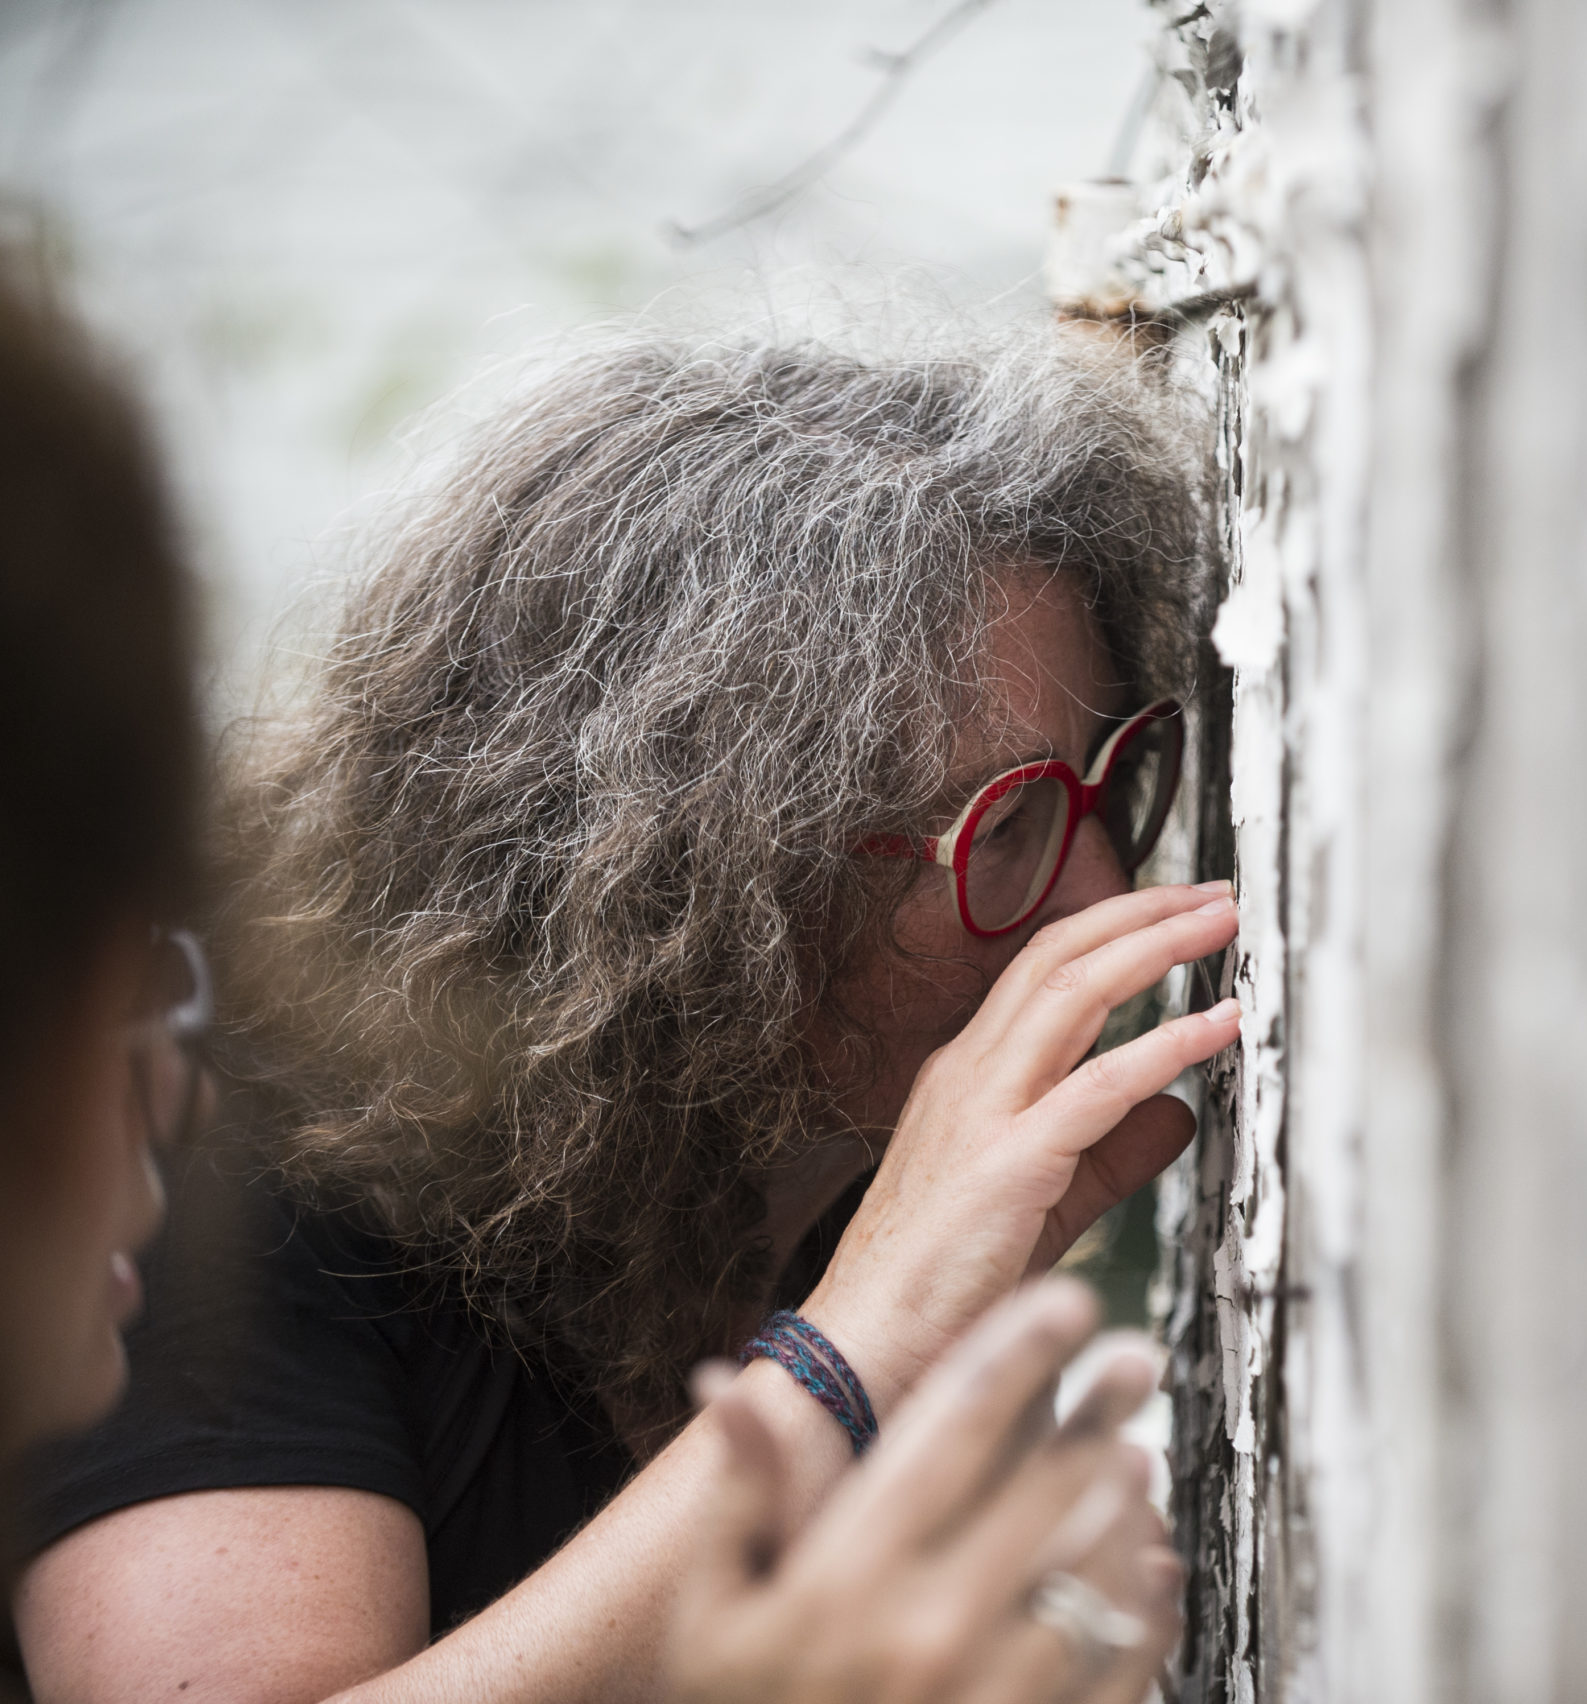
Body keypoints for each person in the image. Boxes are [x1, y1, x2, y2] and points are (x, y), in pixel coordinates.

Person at [5, 310, 1237, 1701]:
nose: (1101, 895)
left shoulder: (868, 1171)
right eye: (1006, 827)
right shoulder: (202, 1166)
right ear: (694, 878)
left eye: (1110, 778)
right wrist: (853, 1349)